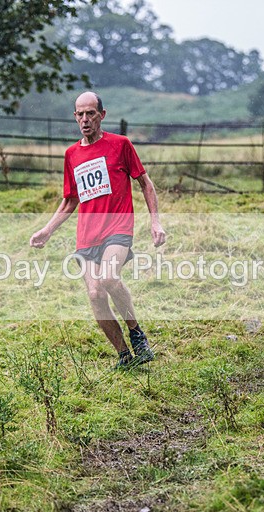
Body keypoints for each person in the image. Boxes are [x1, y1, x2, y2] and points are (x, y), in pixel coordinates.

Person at [30, 91, 166, 369]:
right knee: (94, 294)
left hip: (118, 227)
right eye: (79, 114)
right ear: (75, 117)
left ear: (102, 115)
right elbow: (70, 200)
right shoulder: (72, 154)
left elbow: (145, 184)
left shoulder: (121, 144)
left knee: (108, 278)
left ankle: (137, 333)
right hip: (87, 235)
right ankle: (125, 355)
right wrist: (47, 230)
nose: (85, 119)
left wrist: (155, 221)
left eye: (90, 113)